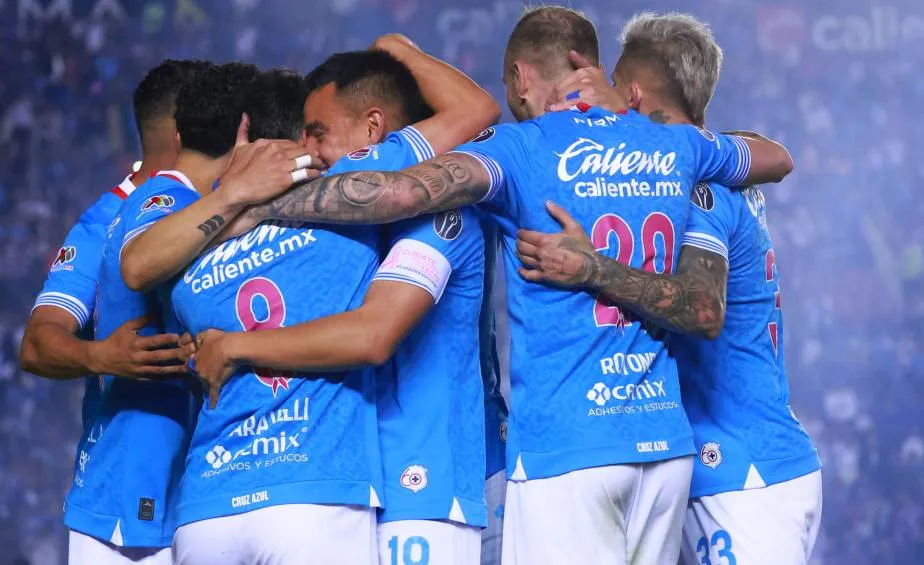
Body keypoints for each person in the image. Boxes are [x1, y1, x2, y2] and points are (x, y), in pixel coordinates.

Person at [209, 6, 795, 565]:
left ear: (518, 76)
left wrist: (262, 205)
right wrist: (631, 118)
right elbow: (775, 156)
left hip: (567, 444)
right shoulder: (679, 145)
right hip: (664, 443)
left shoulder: (519, 148)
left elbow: (403, 193)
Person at [126, 35, 503, 565]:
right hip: (323, 489)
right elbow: (476, 109)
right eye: (303, 133)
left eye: (319, 131)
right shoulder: (350, 184)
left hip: (226, 500)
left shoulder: (199, 239)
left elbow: (137, 266)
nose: (311, 146)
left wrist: (237, 206)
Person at [514, 13, 822, 565]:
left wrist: (592, 268)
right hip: (736, 461)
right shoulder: (714, 168)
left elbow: (703, 309)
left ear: (628, 92)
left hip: (739, 472)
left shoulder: (700, 189)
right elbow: (773, 155)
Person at [77, 63, 315, 565]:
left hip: (182, 485)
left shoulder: (196, 205)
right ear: (247, 132)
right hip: (135, 495)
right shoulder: (165, 201)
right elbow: (138, 265)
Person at [18, 59, 208, 565]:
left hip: (218, 487)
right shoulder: (102, 222)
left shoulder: (220, 202)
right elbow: (37, 343)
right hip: (126, 505)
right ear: (185, 131)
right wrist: (103, 355)